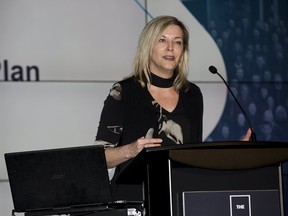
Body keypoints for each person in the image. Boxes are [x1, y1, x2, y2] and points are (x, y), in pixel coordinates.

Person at [95, 15, 251, 202]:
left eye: (177, 42)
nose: (170, 48)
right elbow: (100, 158)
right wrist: (131, 150)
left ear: (183, 50)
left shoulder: (192, 94)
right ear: (148, 46)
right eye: (162, 40)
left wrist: (231, 155)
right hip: (134, 200)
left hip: (177, 198)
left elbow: (193, 156)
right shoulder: (124, 92)